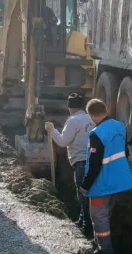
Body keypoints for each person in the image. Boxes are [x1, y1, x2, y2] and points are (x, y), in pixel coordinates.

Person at [79, 99, 132, 254]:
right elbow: (125, 152)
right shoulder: (120, 126)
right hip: (119, 183)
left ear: (93, 115)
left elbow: (94, 164)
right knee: (106, 213)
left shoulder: (96, 134)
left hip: (101, 186)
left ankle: (105, 250)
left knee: (99, 217)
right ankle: (100, 244)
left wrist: (85, 185)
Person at [45, 93, 94, 235]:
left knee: (83, 196)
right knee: (87, 195)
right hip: (95, 162)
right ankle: (81, 220)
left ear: (69, 107)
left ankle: (87, 228)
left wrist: (52, 130)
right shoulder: (91, 118)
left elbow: (62, 142)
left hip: (81, 164)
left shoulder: (73, 121)